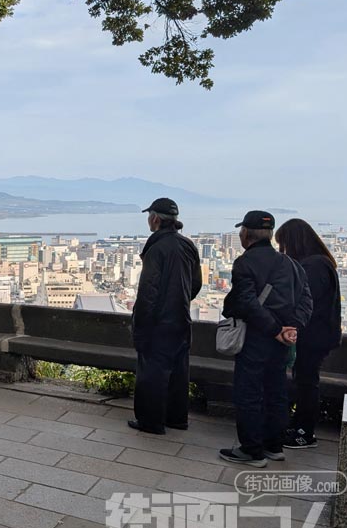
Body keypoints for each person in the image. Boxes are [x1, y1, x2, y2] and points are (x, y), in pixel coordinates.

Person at [219, 211, 313, 468]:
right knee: (276, 390)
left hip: (255, 339)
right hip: (281, 343)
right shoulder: (291, 264)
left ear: (245, 234)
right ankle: (273, 445)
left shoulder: (244, 263)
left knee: (249, 392)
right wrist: (291, 328)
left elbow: (247, 303)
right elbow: (306, 301)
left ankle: (251, 450)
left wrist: (273, 329)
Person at [129, 198, 202, 435]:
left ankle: (151, 422)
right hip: (182, 319)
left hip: (158, 322)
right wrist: (179, 301)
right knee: (179, 373)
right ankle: (177, 418)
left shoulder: (156, 247)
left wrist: (141, 324)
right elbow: (196, 284)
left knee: (152, 373)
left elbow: (148, 291)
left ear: (155, 219)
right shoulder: (188, 245)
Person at [276, 219, 342, 449]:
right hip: (320, 334)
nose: (283, 250)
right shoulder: (322, 263)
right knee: (304, 381)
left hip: (314, 336)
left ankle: (305, 432)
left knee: (306, 383)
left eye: (283, 244)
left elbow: (305, 302)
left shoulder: (314, 266)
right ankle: (300, 427)